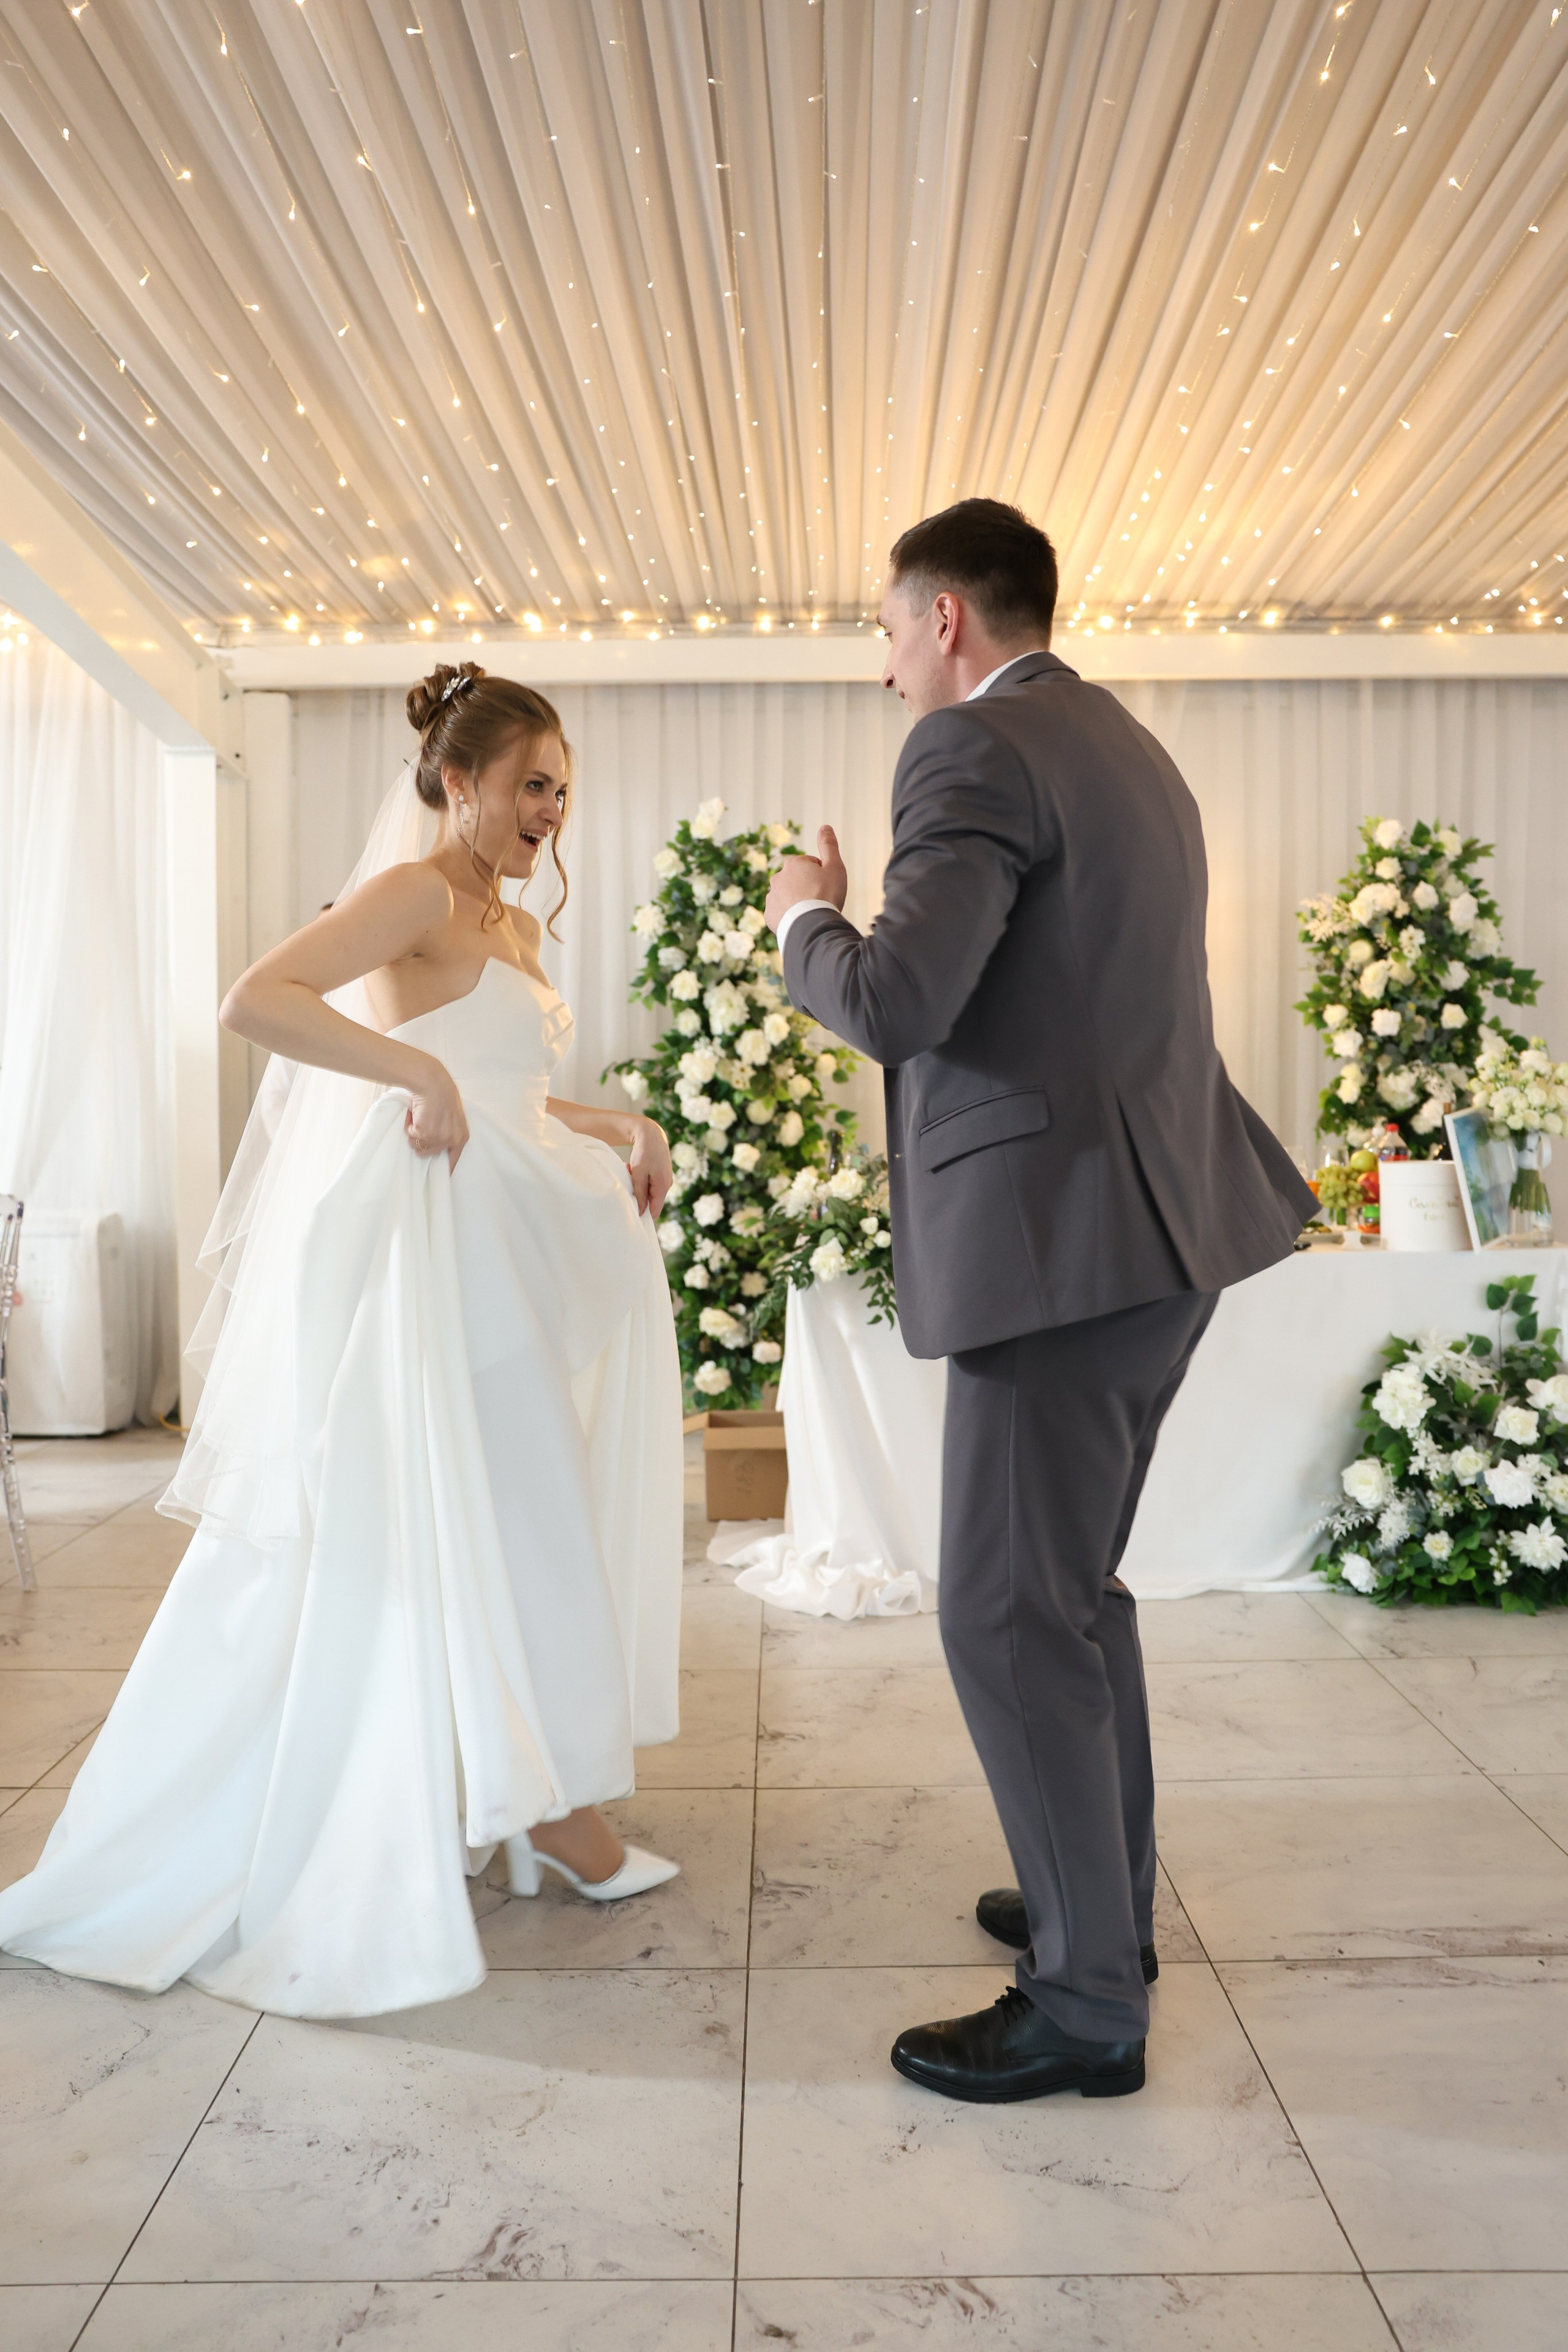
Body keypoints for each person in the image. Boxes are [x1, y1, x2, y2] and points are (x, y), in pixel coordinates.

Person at [0, 664, 685, 2019]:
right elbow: (259, 999)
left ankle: (528, 1790)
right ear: (458, 779)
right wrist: (414, 1072)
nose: (550, 807)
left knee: (507, 1507)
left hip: (504, 1248)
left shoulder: (511, 925)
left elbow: (516, 1097)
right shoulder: (421, 894)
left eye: (561, 786)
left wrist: (622, 1125)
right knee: (466, 1511)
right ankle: (538, 1809)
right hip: (429, 1250)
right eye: (529, 782)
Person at [765, 500, 1313, 2104]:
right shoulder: (1127, 745)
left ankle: (1084, 2006)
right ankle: (1100, 1909)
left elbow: (891, 999)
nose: (883, 674)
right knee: (1075, 1594)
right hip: (1159, 1231)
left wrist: (806, 910)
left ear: (945, 622)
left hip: (1061, 1249)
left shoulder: (970, 754)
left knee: (1006, 1610)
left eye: (883, 632)